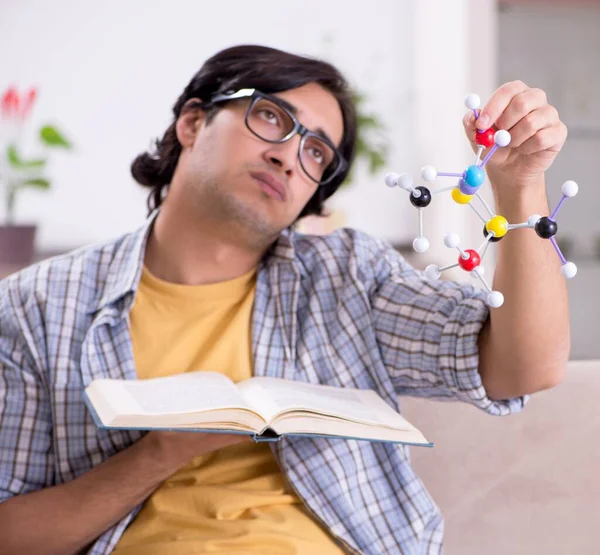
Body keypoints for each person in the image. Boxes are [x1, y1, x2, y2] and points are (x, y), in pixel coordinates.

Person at [0, 44, 570, 555]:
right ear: (193, 124)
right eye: (271, 117)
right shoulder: (38, 307)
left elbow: (526, 368)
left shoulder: (346, 276)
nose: (289, 156)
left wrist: (518, 184)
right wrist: (158, 454)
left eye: (317, 152)